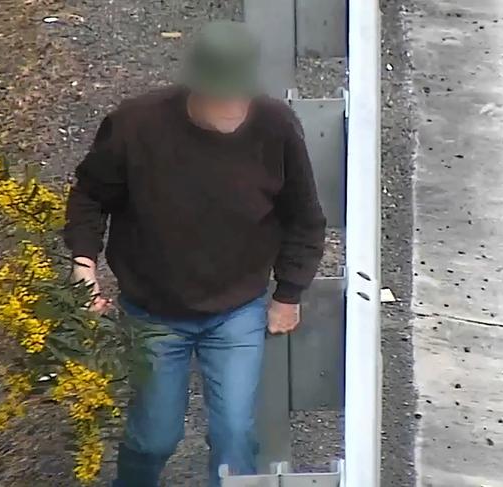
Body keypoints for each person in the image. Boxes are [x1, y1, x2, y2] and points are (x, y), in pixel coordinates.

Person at [64, 20, 326, 487]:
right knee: (153, 438)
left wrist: (288, 294)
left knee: (233, 436)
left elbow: (305, 218)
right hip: (153, 310)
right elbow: (89, 195)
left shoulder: (277, 126)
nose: (232, 108)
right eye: (219, 96)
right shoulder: (135, 124)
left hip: (236, 309)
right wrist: (84, 262)